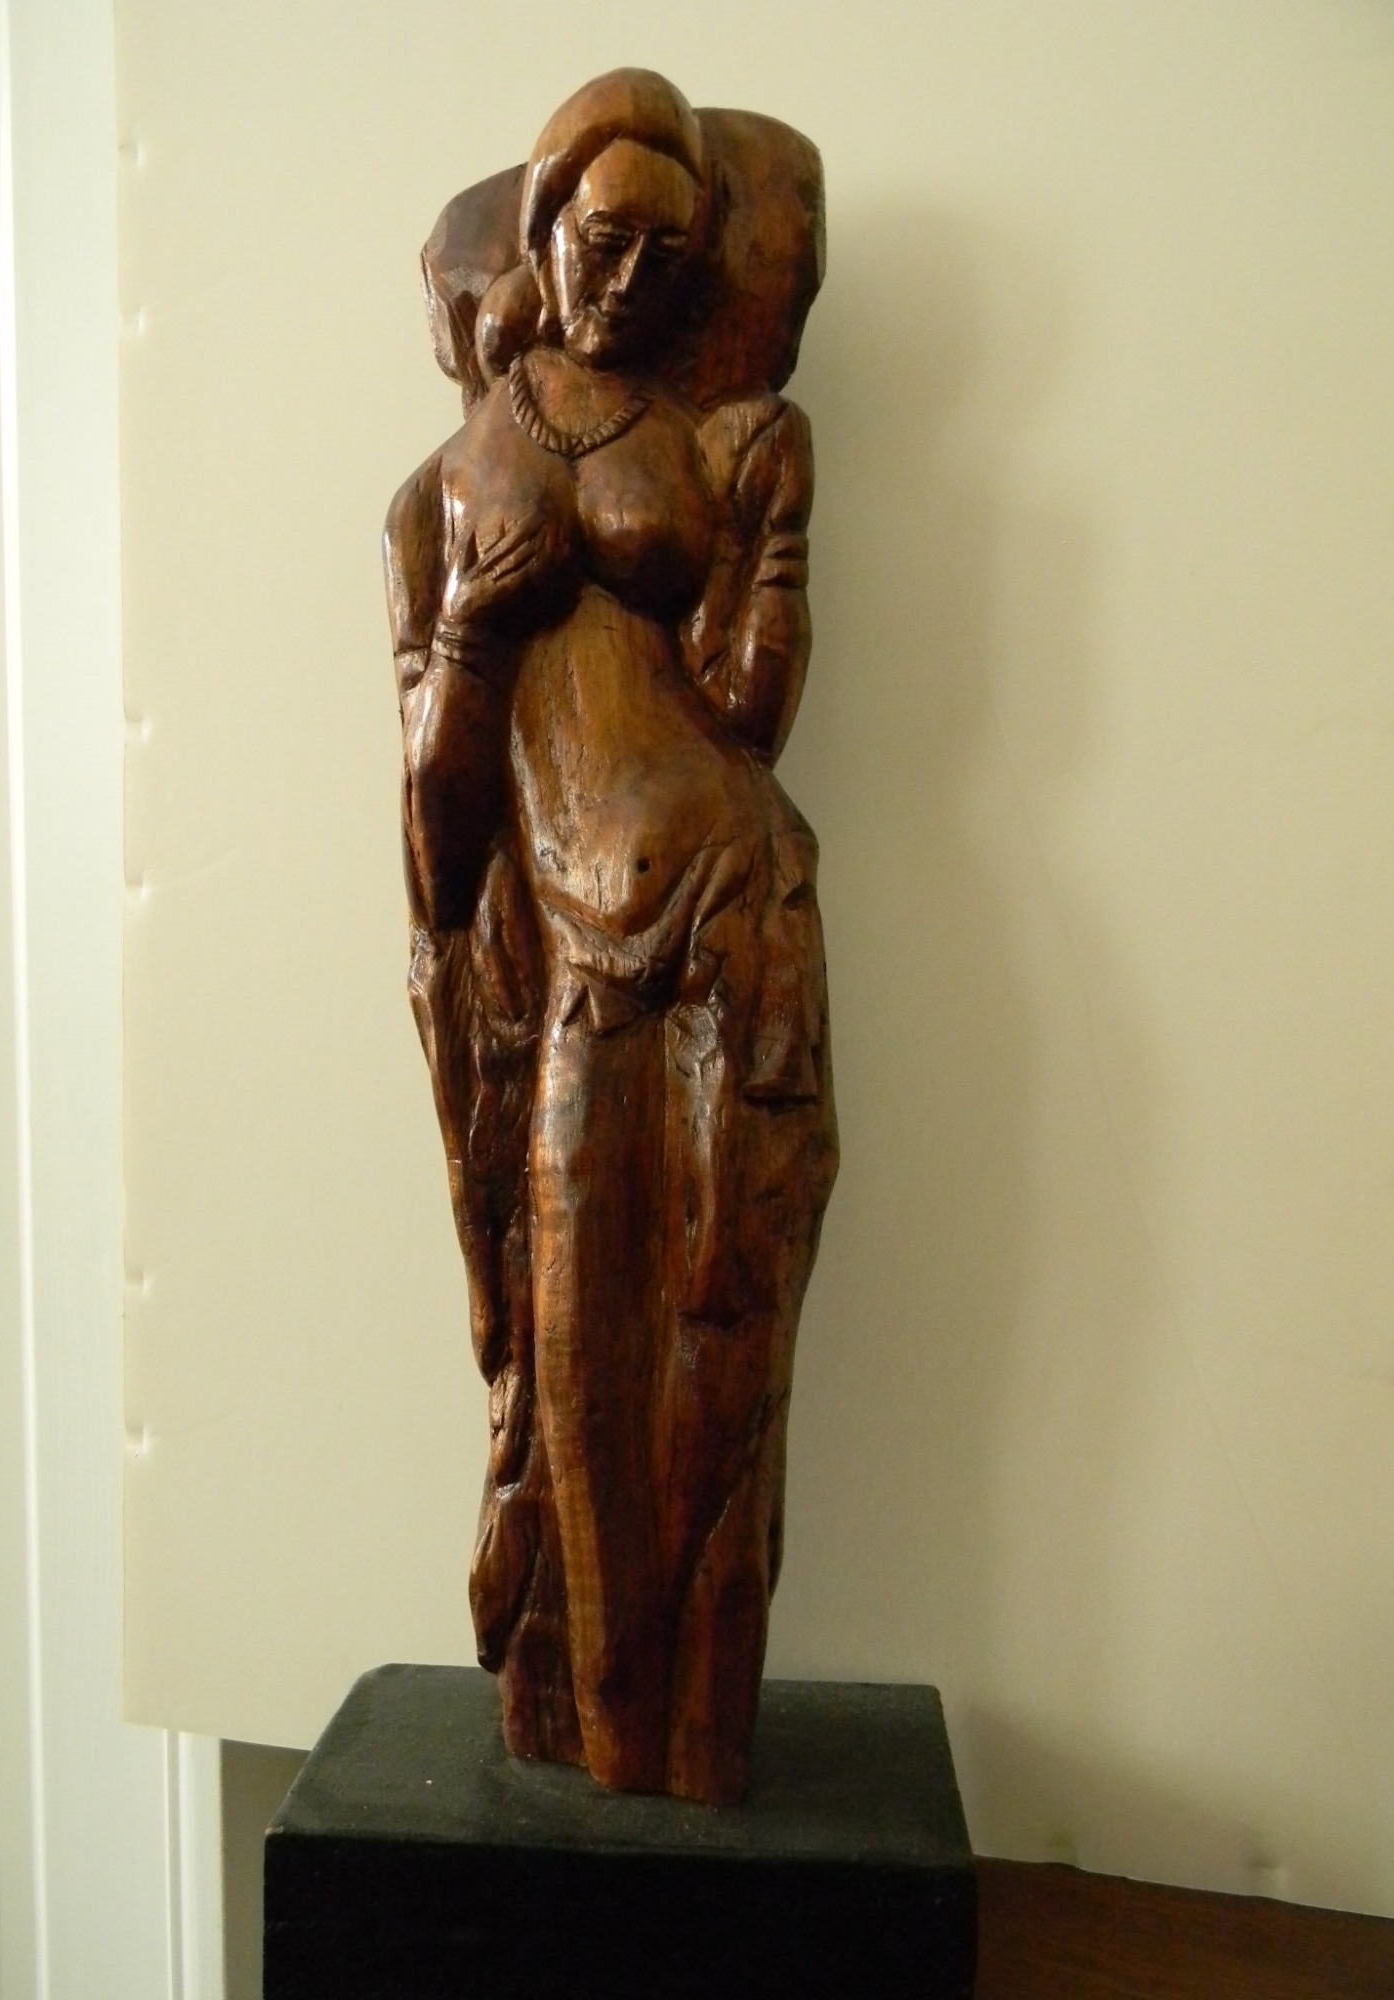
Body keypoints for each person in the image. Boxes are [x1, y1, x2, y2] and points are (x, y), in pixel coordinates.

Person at [384, 69, 837, 1804]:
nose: (631, 281)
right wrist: (472, 643)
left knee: (726, 1318)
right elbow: (440, 858)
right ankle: (593, 1712)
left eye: (669, 255)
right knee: (575, 1346)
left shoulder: (728, 447)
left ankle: (702, 1736)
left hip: (736, 903)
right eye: (601, 239)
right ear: (542, 232)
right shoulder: (438, 497)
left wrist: (769, 546)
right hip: (571, 963)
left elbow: (750, 714)